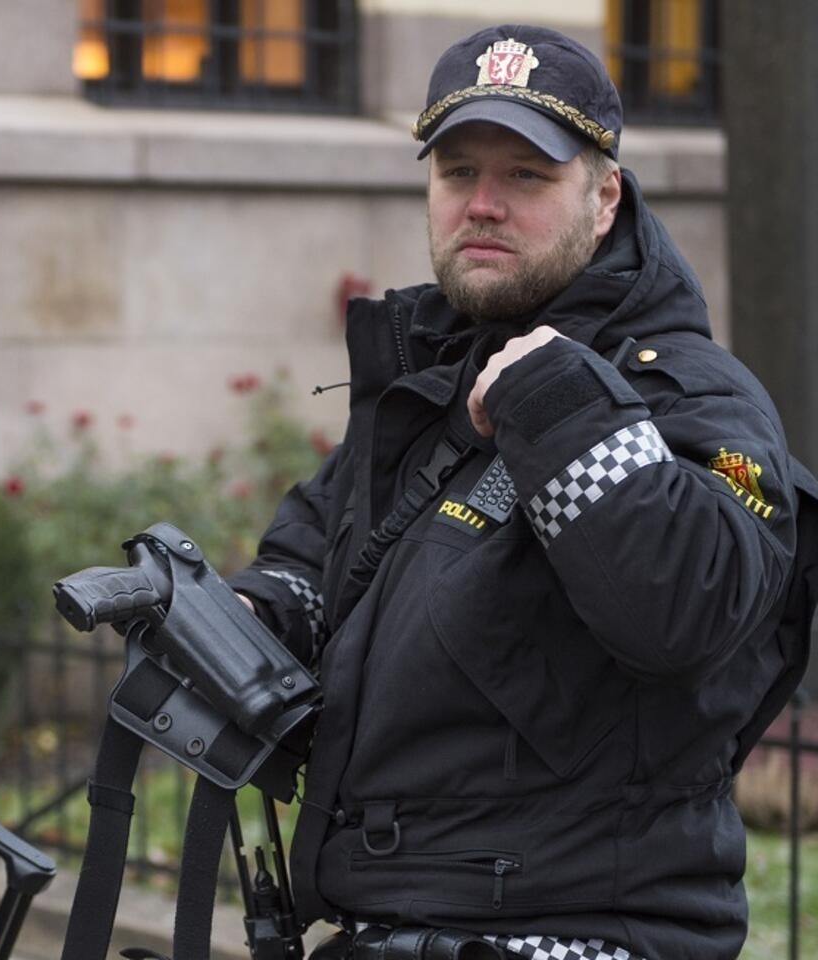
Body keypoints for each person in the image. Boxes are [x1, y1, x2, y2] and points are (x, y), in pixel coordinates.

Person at [227, 24, 813, 960]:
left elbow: (694, 607)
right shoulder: (434, 377)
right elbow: (320, 544)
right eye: (458, 171)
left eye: (527, 176)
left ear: (604, 197)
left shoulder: (695, 394)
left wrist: (565, 408)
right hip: (391, 923)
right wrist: (248, 619)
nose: (483, 204)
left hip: (579, 934)